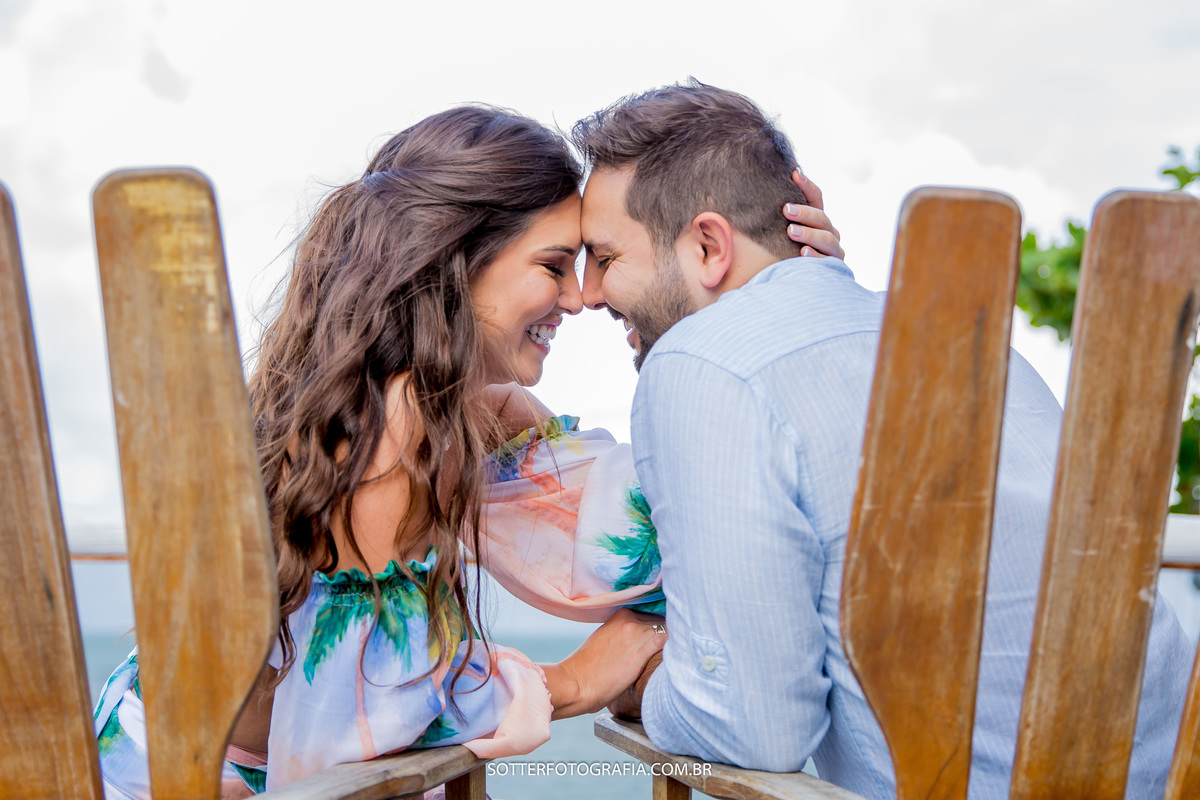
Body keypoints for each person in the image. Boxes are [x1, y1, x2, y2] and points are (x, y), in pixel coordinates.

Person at [570, 80, 1193, 800]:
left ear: (709, 245)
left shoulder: (702, 361)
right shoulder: (962, 344)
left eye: (605, 258)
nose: (586, 293)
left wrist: (651, 680)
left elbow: (752, 729)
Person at [91, 106, 671, 799]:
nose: (580, 298)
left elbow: (661, 530)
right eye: (554, 266)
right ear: (455, 260)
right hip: (185, 777)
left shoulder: (474, 416)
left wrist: (772, 282)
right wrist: (574, 680)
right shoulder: (385, 427)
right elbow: (371, 698)